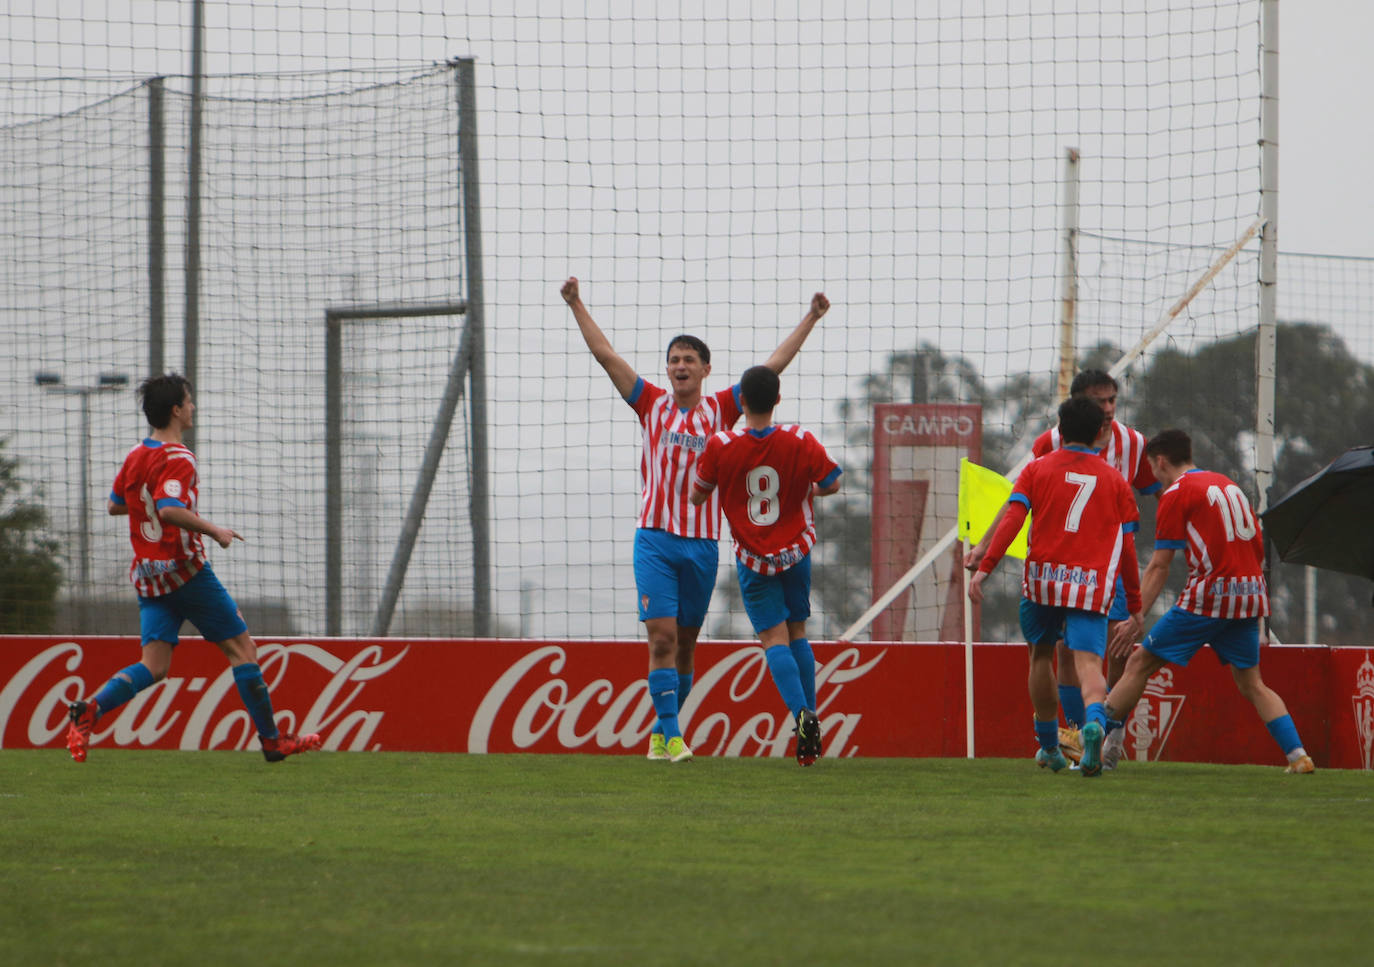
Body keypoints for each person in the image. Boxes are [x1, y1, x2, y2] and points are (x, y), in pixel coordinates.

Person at [561, 277, 829, 763]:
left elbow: (770, 370)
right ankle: (673, 733)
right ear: (666, 370)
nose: (680, 366)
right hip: (656, 540)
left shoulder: (721, 410)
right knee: (660, 637)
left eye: (689, 360)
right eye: (674, 359)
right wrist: (576, 302)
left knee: (685, 645)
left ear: (706, 369)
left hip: (703, 546)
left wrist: (810, 318)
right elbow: (606, 356)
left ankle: (663, 735)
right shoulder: (649, 404)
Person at [65, 373, 320, 764]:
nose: (193, 407)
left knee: (154, 666)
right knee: (243, 650)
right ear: (176, 410)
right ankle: (272, 741)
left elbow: (116, 504)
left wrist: (145, 509)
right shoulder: (179, 458)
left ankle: (92, 709)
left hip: (149, 577)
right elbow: (168, 509)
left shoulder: (136, 454)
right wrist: (214, 529)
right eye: (189, 401)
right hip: (186, 572)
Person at [966, 369, 1159, 768]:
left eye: (1112, 401)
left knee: (1041, 656)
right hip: (1094, 580)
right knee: (1089, 660)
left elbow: (1016, 517)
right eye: (1098, 402)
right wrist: (1138, 601)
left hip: (1044, 579)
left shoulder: (1041, 468)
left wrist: (986, 565)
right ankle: (1091, 725)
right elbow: (1126, 545)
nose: (1107, 410)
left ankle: (1053, 745)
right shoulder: (1114, 480)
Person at [1102, 429, 1315, 774]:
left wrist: (1135, 612)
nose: (1153, 478)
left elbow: (1159, 564)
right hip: (1250, 593)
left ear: (1160, 461)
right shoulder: (1229, 485)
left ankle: (1091, 735)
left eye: (1152, 470)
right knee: (1252, 683)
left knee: (1139, 662)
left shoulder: (1177, 493)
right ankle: (1298, 756)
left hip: (1212, 594)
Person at [689, 365, 841, 766]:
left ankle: (801, 716)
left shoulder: (721, 444)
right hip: (797, 550)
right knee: (798, 632)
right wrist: (806, 489)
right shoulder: (799, 439)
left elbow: (697, 496)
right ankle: (812, 717)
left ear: (741, 402)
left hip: (754, 558)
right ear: (777, 399)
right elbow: (833, 482)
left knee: (773, 640)